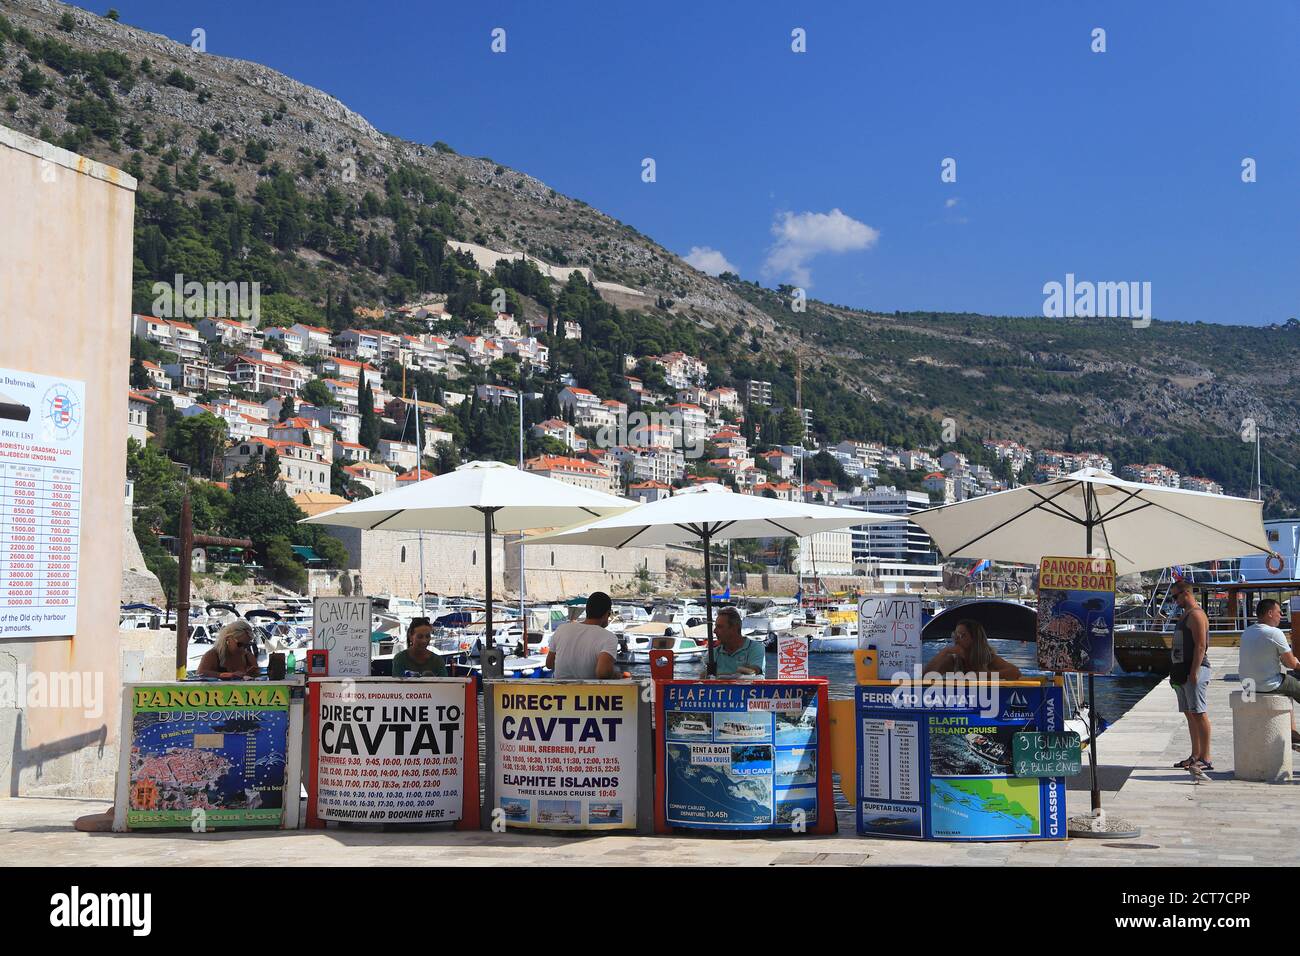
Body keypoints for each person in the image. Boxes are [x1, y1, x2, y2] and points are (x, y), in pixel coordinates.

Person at [1239, 598, 1300, 747]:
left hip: (1248, 685)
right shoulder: (1274, 633)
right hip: (1267, 684)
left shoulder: (1247, 632)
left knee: (1287, 688)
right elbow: (1292, 664)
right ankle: (1293, 735)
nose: (1281, 616)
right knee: (1291, 683)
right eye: (1279, 612)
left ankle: (1292, 733)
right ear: (1270, 613)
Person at [1169, 580, 1213, 771]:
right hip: (1182, 671)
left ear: (1186, 593)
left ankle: (1206, 757)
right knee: (1190, 714)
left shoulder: (1196, 615)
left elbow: (1201, 645)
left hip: (1195, 670)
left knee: (1199, 713)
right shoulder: (1184, 615)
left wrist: (1194, 671)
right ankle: (1195, 754)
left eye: (1175, 596)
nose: (1174, 600)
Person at [546, 591, 618, 679]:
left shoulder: (562, 629)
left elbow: (549, 664)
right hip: (588, 691)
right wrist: (616, 675)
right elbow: (603, 673)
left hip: (559, 690)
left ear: (587, 611)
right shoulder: (609, 637)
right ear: (607, 614)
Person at [922, 619, 1022, 679]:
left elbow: (1015, 673)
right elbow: (925, 677)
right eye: (955, 635)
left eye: (962, 635)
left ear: (974, 638)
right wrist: (945, 651)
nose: (957, 639)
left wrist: (982, 675)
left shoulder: (988, 659)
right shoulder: (952, 661)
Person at [708, 606, 765, 677]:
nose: (715, 631)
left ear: (734, 628)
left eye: (720, 627)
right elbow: (703, 676)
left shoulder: (755, 648)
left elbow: (752, 672)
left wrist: (717, 675)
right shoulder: (714, 653)